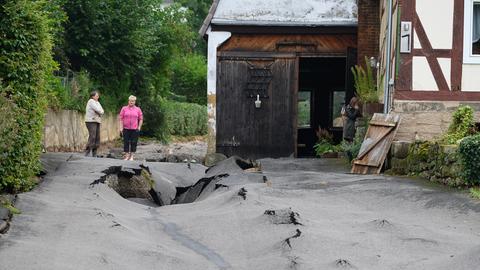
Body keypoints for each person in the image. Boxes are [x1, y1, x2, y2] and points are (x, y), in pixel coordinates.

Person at [119, 95, 143, 161]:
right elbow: (121, 119)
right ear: (128, 101)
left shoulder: (138, 109)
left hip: (135, 129)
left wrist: (139, 127)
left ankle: (132, 156)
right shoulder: (124, 108)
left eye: (133, 101)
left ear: (135, 102)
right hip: (126, 128)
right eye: (130, 101)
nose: (131, 102)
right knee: (126, 142)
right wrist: (121, 128)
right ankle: (126, 156)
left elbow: (141, 119)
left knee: (134, 142)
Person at [84, 91, 104, 157]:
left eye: (98, 96)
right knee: (92, 136)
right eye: (97, 96)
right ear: (93, 96)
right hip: (90, 121)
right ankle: (88, 150)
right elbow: (97, 109)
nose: (98, 97)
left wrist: (99, 112)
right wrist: (99, 111)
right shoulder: (91, 101)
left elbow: (102, 111)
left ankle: (94, 151)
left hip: (97, 121)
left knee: (97, 137)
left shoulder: (98, 102)